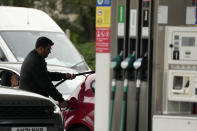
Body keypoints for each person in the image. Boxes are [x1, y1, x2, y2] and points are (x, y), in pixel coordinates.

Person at [19, 36, 75, 108]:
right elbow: (46, 84)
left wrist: (64, 76)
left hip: (31, 99)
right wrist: (61, 100)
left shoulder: (34, 56)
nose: (50, 51)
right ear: (41, 48)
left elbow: (46, 75)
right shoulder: (36, 62)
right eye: (48, 49)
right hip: (32, 102)